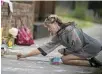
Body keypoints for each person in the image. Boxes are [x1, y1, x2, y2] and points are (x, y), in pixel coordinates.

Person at [17, 14, 102, 67]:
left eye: (49, 27)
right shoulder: (59, 35)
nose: (49, 30)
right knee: (64, 59)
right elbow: (43, 48)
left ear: (55, 23)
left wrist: (65, 51)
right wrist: (24, 55)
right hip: (84, 49)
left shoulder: (70, 30)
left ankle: (92, 63)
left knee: (65, 59)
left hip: (91, 47)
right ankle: (92, 61)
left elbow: (78, 47)